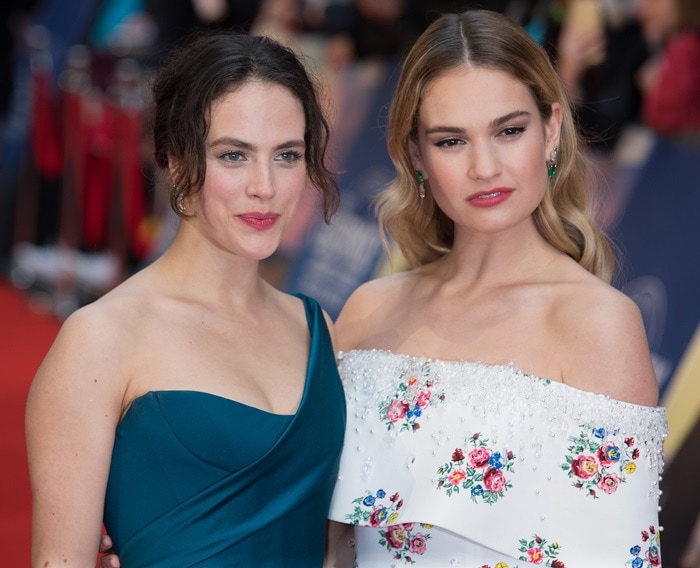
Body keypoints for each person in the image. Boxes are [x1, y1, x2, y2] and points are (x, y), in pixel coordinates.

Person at [325, 9, 667, 567]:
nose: (485, 167)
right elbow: (330, 543)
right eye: (451, 140)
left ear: (551, 131)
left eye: (509, 131)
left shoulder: (598, 324)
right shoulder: (369, 311)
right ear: (416, 155)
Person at [26, 29, 345, 568]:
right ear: (175, 158)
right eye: (234, 155)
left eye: (287, 155)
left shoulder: (316, 328)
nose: (264, 186)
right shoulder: (101, 338)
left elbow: (336, 545)